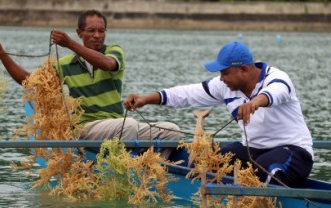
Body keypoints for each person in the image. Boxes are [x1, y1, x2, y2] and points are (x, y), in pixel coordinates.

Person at [0, 9, 180, 157]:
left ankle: (152, 171)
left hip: (117, 126)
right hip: (87, 128)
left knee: (171, 131)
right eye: (91, 30)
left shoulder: (114, 51)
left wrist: (69, 44)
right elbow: (31, 82)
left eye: (101, 31)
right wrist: (2, 54)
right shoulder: (65, 64)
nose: (97, 35)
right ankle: (120, 167)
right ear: (79, 33)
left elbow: (107, 64)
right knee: (127, 126)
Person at [124, 41, 314, 187]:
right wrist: (145, 99)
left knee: (266, 169)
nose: (221, 79)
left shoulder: (277, 78)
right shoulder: (224, 85)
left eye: (225, 73)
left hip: (295, 152)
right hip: (252, 149)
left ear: (244, 69)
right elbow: (185, 94)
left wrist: (255, 102)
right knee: (207, 164)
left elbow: (276, 92)